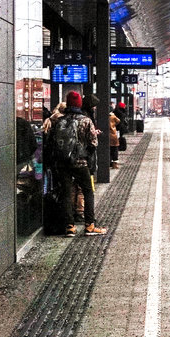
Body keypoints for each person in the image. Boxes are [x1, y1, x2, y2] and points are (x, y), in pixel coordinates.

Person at [47, 90, 107, 237]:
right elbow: (93, 143)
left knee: (66, 193)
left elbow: (52, 142)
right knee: (88, 191)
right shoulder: (85, 120)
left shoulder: (60, 120)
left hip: (62, 163)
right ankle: (90, 226)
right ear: (79, 104)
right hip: (80, 163)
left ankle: (70, 227)